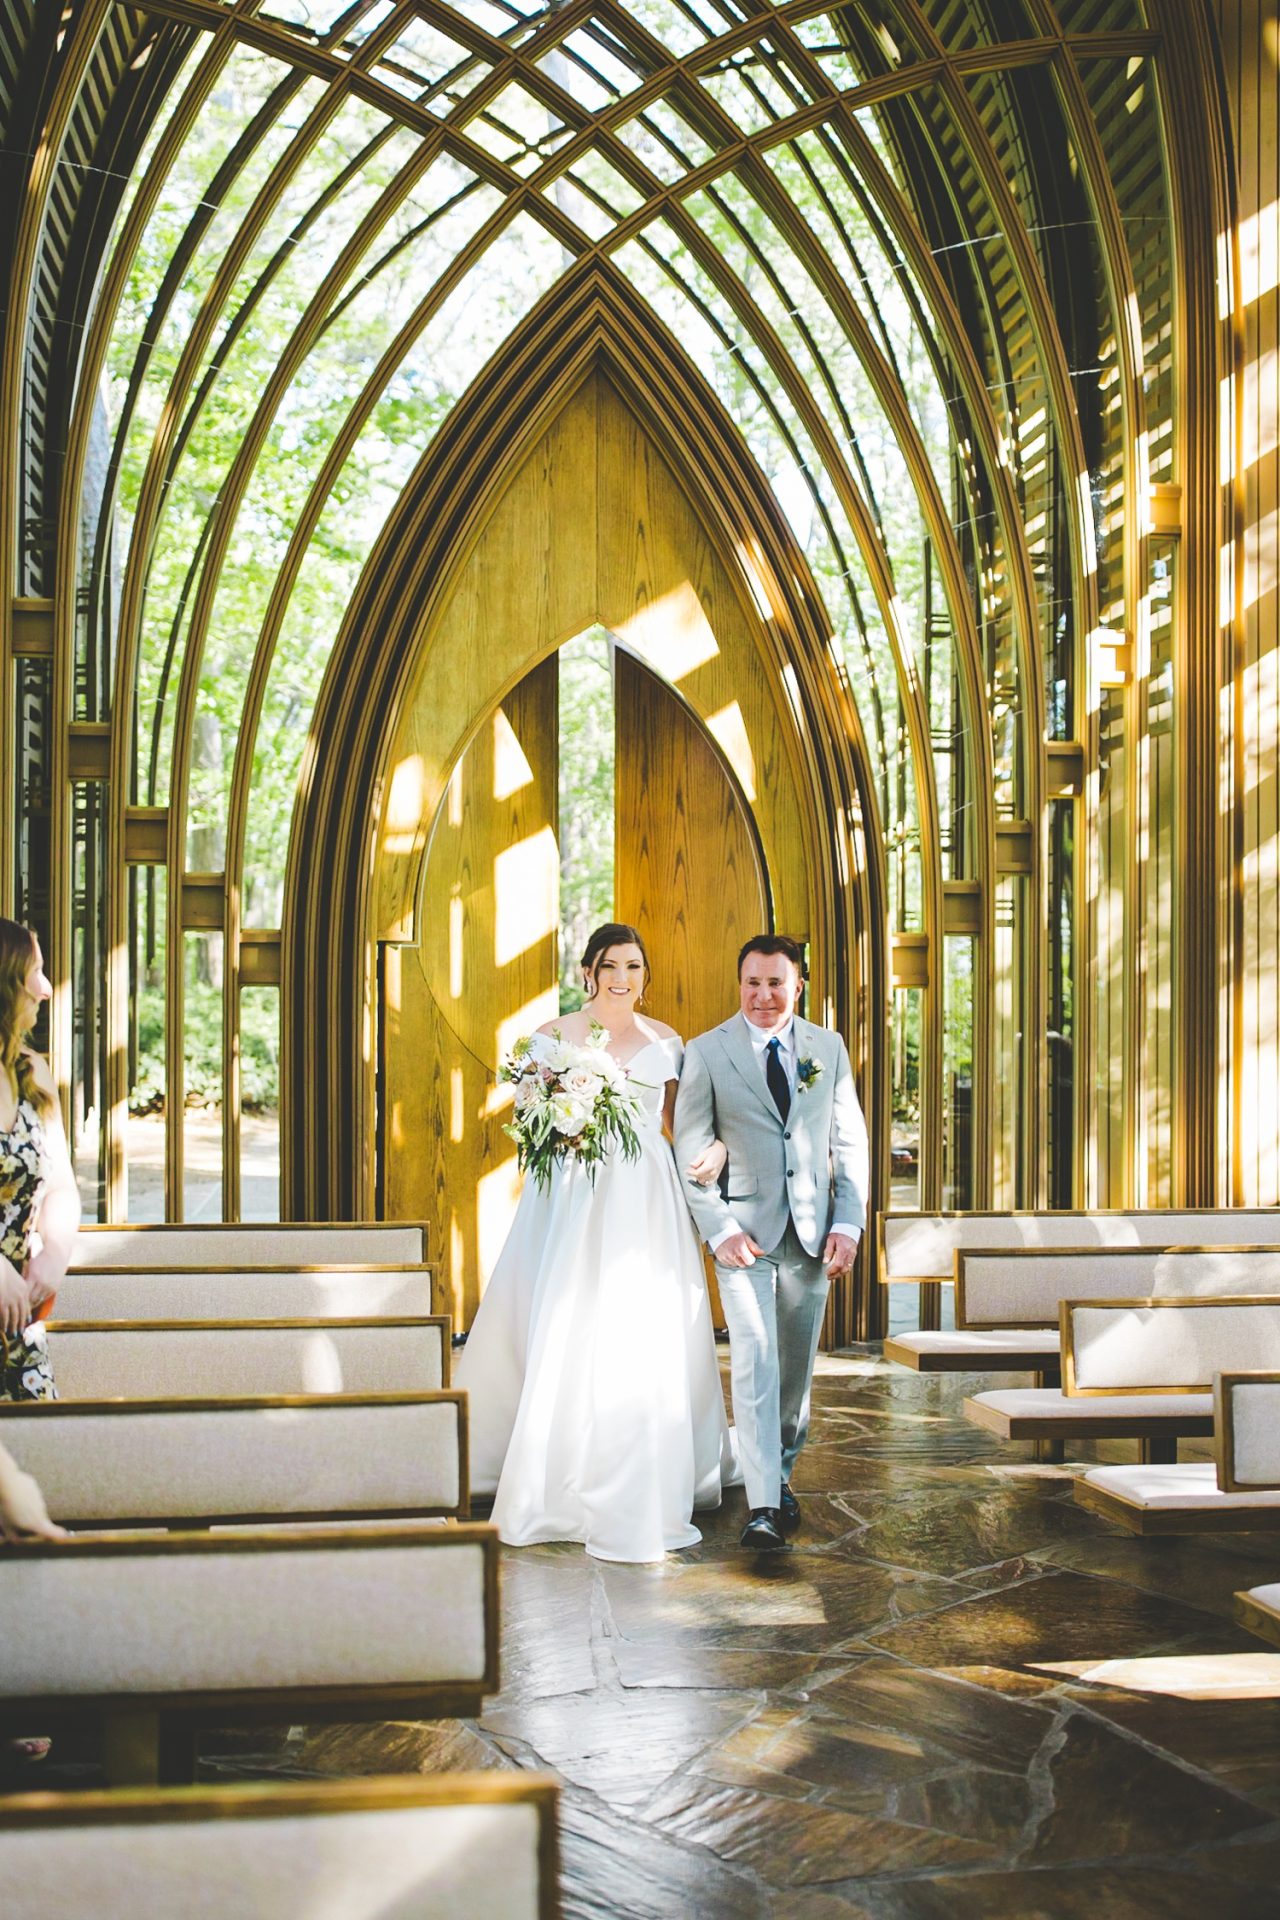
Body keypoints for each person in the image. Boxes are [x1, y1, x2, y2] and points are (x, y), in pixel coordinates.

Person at [456, 923, 739, 1562]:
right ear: (588, 971)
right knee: (563, 1314)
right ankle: (549, 1465)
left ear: (644, 974)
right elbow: (531, 1122)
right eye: (609, 965)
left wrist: (716, 1147)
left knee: (637, 1324)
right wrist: (566, 1121)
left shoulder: (667, 1041)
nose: (621, 977)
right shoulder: (552, 1038)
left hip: (644, 1199)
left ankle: (645, 1458)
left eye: (633, 966)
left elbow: (682, 1126)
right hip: (571, 1194)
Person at [673, 935, 869, 1551]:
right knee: (756, 1362)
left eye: (775, 983)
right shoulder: (706, 1052)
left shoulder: (827, 1048)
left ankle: (778, 1476)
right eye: (752, 983)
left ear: (798, 985)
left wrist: (848, 1222)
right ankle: (761, 1504)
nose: (763, 996)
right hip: (744, 1240)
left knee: (793, 1377)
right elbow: (690, 1151)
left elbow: (849, 1142)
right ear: (740, 984)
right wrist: (720, 1229)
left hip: (812, 1238)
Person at [0, 920, 80, 1402]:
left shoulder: (34, 1072)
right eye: (37, 972)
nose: (47, 990)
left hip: (19, 1320)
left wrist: (55, 1256)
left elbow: (61, 1185)